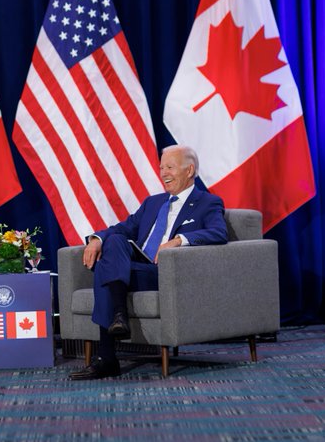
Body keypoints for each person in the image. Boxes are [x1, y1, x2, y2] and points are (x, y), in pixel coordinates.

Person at [69, 145, 228, 380]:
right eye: (161, 167)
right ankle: (119, 316)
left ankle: (107, 358)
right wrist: (96, 239)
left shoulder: (208, 202)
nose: (163, 173)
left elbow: (218, 233)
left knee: (105, 269)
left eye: (170, 167)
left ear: (189, 170)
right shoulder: (153, 203)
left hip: (165, 272)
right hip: (137, 267)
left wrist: (179, 241)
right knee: (113, 241)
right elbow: (123, 228)